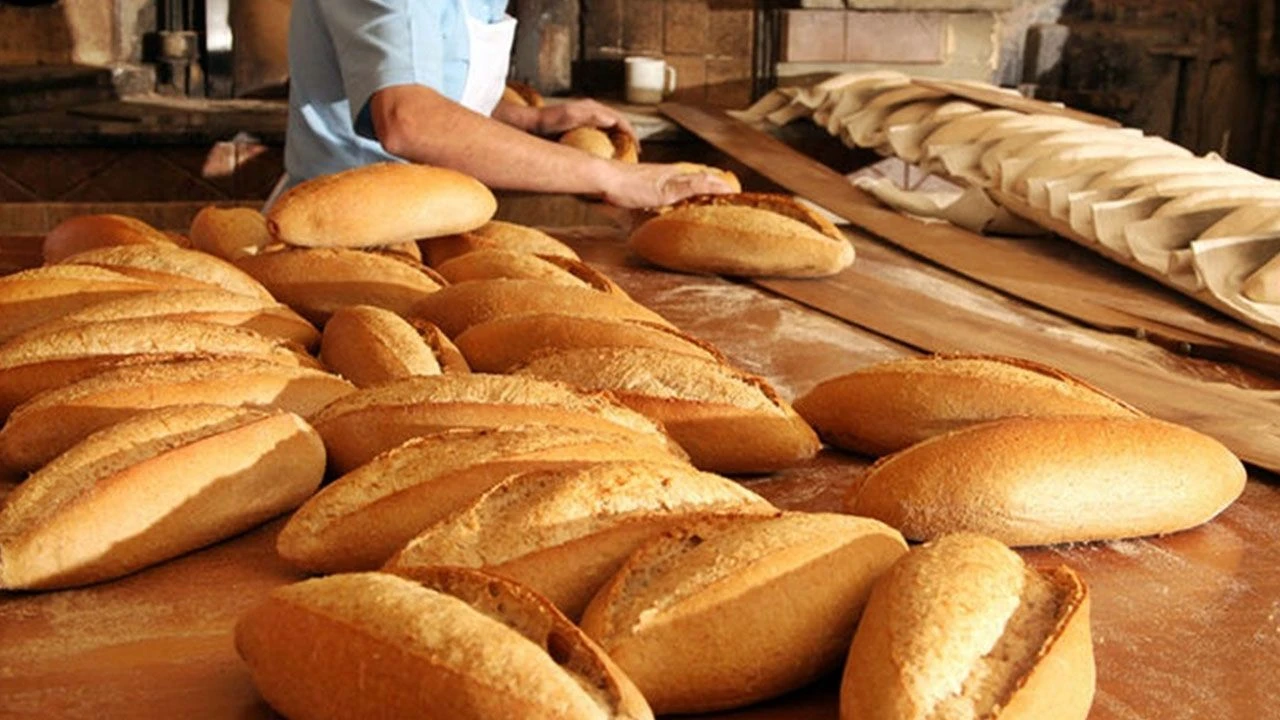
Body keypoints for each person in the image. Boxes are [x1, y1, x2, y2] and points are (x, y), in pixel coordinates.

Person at [272, 0, 736, 209]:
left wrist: (529, 120)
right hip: (339, 228)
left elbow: (441, 84)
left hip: (432, 218)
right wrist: (611, 177)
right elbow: (406, 117)